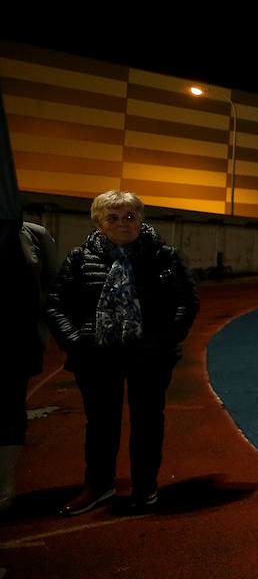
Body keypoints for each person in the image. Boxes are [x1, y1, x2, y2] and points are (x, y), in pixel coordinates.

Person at [45, 191, 199, 515]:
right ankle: (99, 485)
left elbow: (186, 302)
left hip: (149, 355)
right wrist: (77, 341)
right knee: (101, 423)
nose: (123, 223)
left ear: (142, 220)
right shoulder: (80, 257)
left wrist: (163, 341)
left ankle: (145, 487)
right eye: (113, 217)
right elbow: (57, 304)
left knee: (147, 422)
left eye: (130, 216)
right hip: (97, 355)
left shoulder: (164, 256)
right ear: (99, 222)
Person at [1, 220, 57, 512]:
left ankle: (4, 488)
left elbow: (50, 286)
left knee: (10, 408)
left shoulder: (34, 234)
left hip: (16, 340)